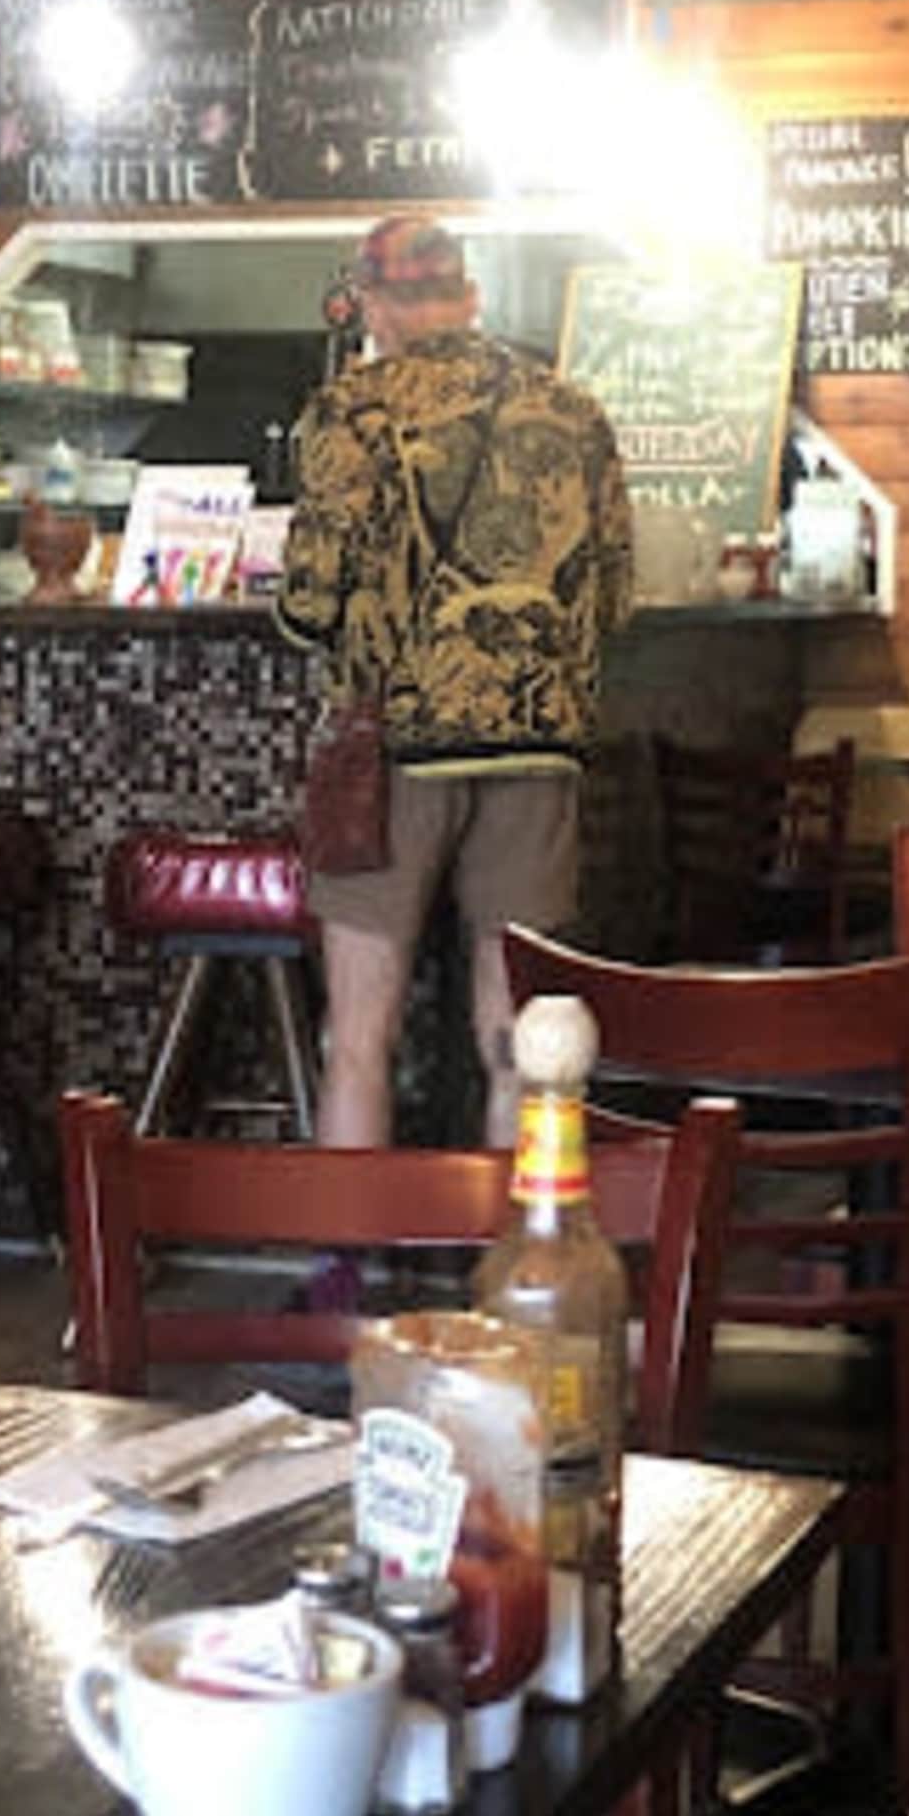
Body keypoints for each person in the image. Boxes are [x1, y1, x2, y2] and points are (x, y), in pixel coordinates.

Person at [277, 214, 634, 1145]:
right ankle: (517, 1262)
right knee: (522, 1040)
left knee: (359, 1036)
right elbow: (615, 596)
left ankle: (347, 1273)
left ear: (369, 305)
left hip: (396, 748)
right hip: (538, 747)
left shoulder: (351, 411)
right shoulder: (575, 412)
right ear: (471, 297)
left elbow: (310, 601)